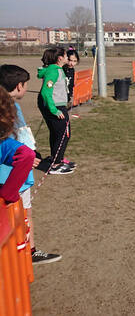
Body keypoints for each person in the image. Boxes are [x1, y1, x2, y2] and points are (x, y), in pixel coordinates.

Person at [0, 65, 62, 263]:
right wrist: (31, 155)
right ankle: (29, 252)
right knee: (24, 214)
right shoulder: (10, 108)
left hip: (10, 171)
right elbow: (22, 141)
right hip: (14, 175)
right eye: (26, 85)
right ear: (19, 86)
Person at [36, 48, 74, 174]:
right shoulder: (54, 71)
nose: (67, 58)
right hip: (55, 106)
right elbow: (46, 92)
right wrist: (54, 110)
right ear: (59, 58)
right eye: (65, 56)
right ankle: (56, 165)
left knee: (57, 133)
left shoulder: (58, 70)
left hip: (57, 104)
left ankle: (56, 158)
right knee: (63, 134)